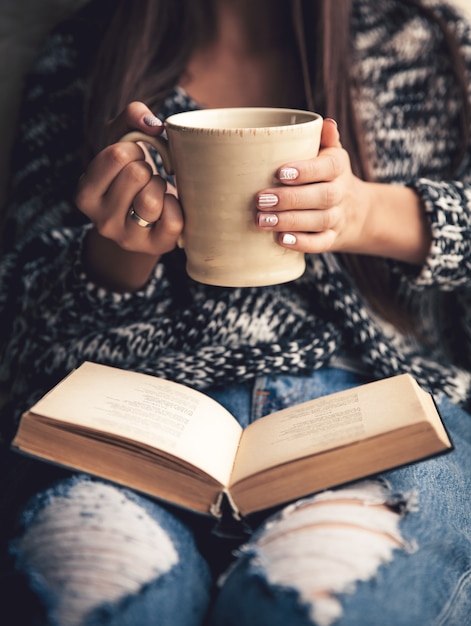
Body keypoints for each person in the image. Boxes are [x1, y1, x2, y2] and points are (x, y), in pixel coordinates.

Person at [0, 0, 471, 624]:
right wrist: (117, 247)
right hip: (145, 420)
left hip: (378, 408)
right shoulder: (84, 54)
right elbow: (22, 346)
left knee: (312, 598)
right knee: (106, 588)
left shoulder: (421, 36)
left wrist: (362, 214)